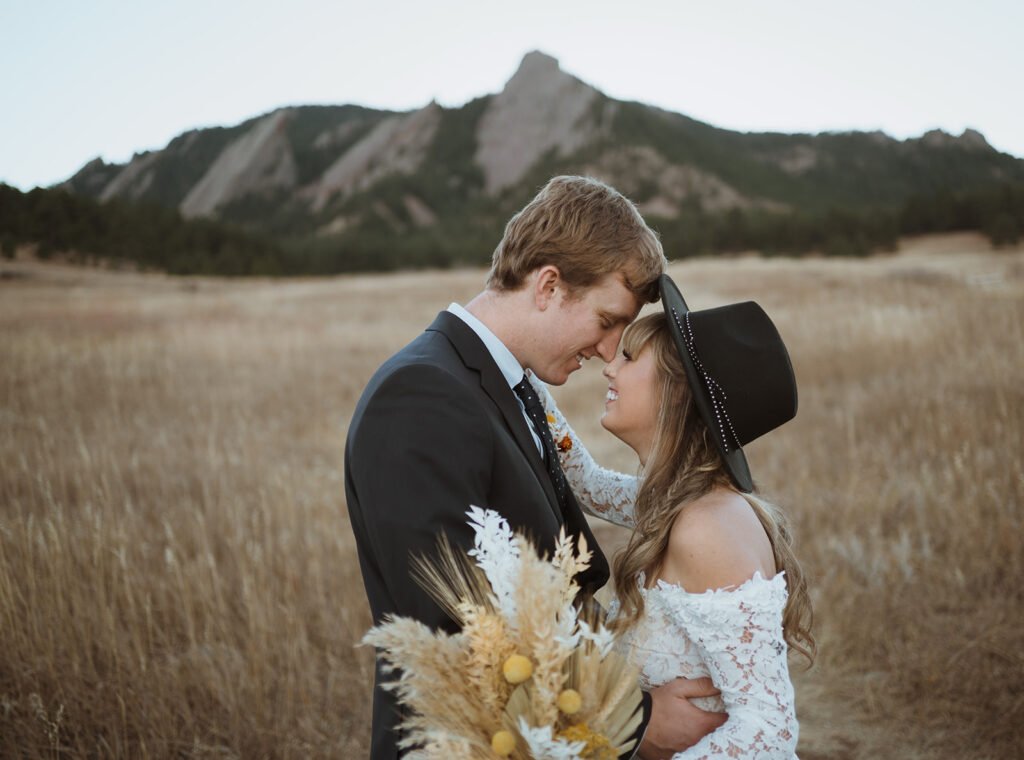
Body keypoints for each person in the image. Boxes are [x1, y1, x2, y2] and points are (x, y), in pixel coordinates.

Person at [345, 177, 727, 759]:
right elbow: (459, 625)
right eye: (606, 320)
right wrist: (635, 719)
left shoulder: (507, 384)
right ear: (549, 284)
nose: (608, 350)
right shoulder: (420, 395)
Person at [530, 275, 816, 758]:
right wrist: (527, 379)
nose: (607, 368)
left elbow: (768, 732)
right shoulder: (675, 501)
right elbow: (591, 486)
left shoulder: (706, 526)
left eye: (627, 356)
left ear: (678, 393)